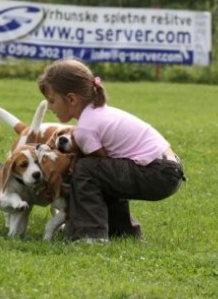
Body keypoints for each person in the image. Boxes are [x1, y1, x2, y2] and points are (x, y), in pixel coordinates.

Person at [37, 58, 185, 242]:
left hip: (157, 173)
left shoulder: (86, 128)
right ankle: (121, 231)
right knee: (101, 173)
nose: (50, 107)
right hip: (168, 169)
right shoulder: (98, 113)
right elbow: (108, 171)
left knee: (85, 169)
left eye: (52, 101)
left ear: (72, 99)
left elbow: (99, 164)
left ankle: (90, 236)